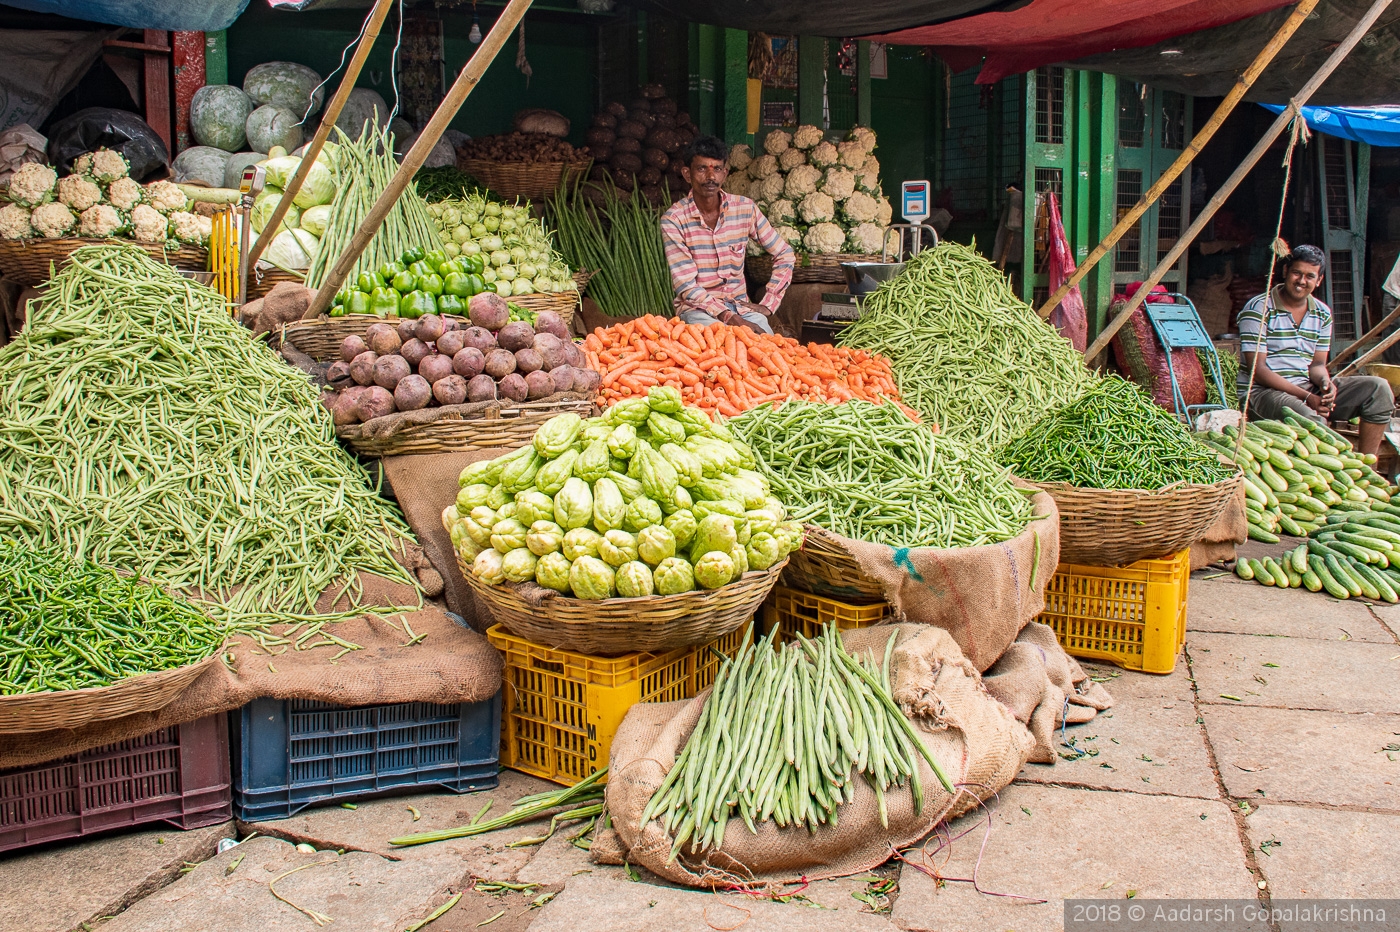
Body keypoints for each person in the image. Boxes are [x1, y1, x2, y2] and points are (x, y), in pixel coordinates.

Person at [1237, 244, 1394, 456]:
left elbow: (1317, 365)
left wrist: (1325, 383)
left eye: (1310, 276)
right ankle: (1343, 472)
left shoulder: (1322, 313)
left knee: (1378, 389)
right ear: (1285, 272)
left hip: (1306, 387)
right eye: (1296, 273)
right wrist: (1307, 398)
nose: (1302, 281)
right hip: (1262, 393)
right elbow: (1259, 371)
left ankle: (1367, 467)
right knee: (1312, 420)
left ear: (1318, 280)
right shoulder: (1259, 309)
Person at [660, 135, 795, 334]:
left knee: (768, 346)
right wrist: (729, 317)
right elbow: (686, 286)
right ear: (687, 174)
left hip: (742, 309)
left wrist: (768, 303)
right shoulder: (674, 220)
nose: (710, 177)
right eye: (702, 168)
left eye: (717, 169)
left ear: (725, 173)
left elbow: (785, 254)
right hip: (699, 312)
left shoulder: (745, 209)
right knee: (717, 341)